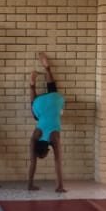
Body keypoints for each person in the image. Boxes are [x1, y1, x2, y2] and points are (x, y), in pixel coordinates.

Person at [27, 52, 66, 193]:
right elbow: (34, 162)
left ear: (47, 149)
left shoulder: (54, 138)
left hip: (55, 101)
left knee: (52, 96)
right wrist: (29, 185)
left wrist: (60, 186)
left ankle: (46, 70)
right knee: (35, 113)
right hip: (40, 103)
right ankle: (33, 84)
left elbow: (57, 162)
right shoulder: (35, 136)